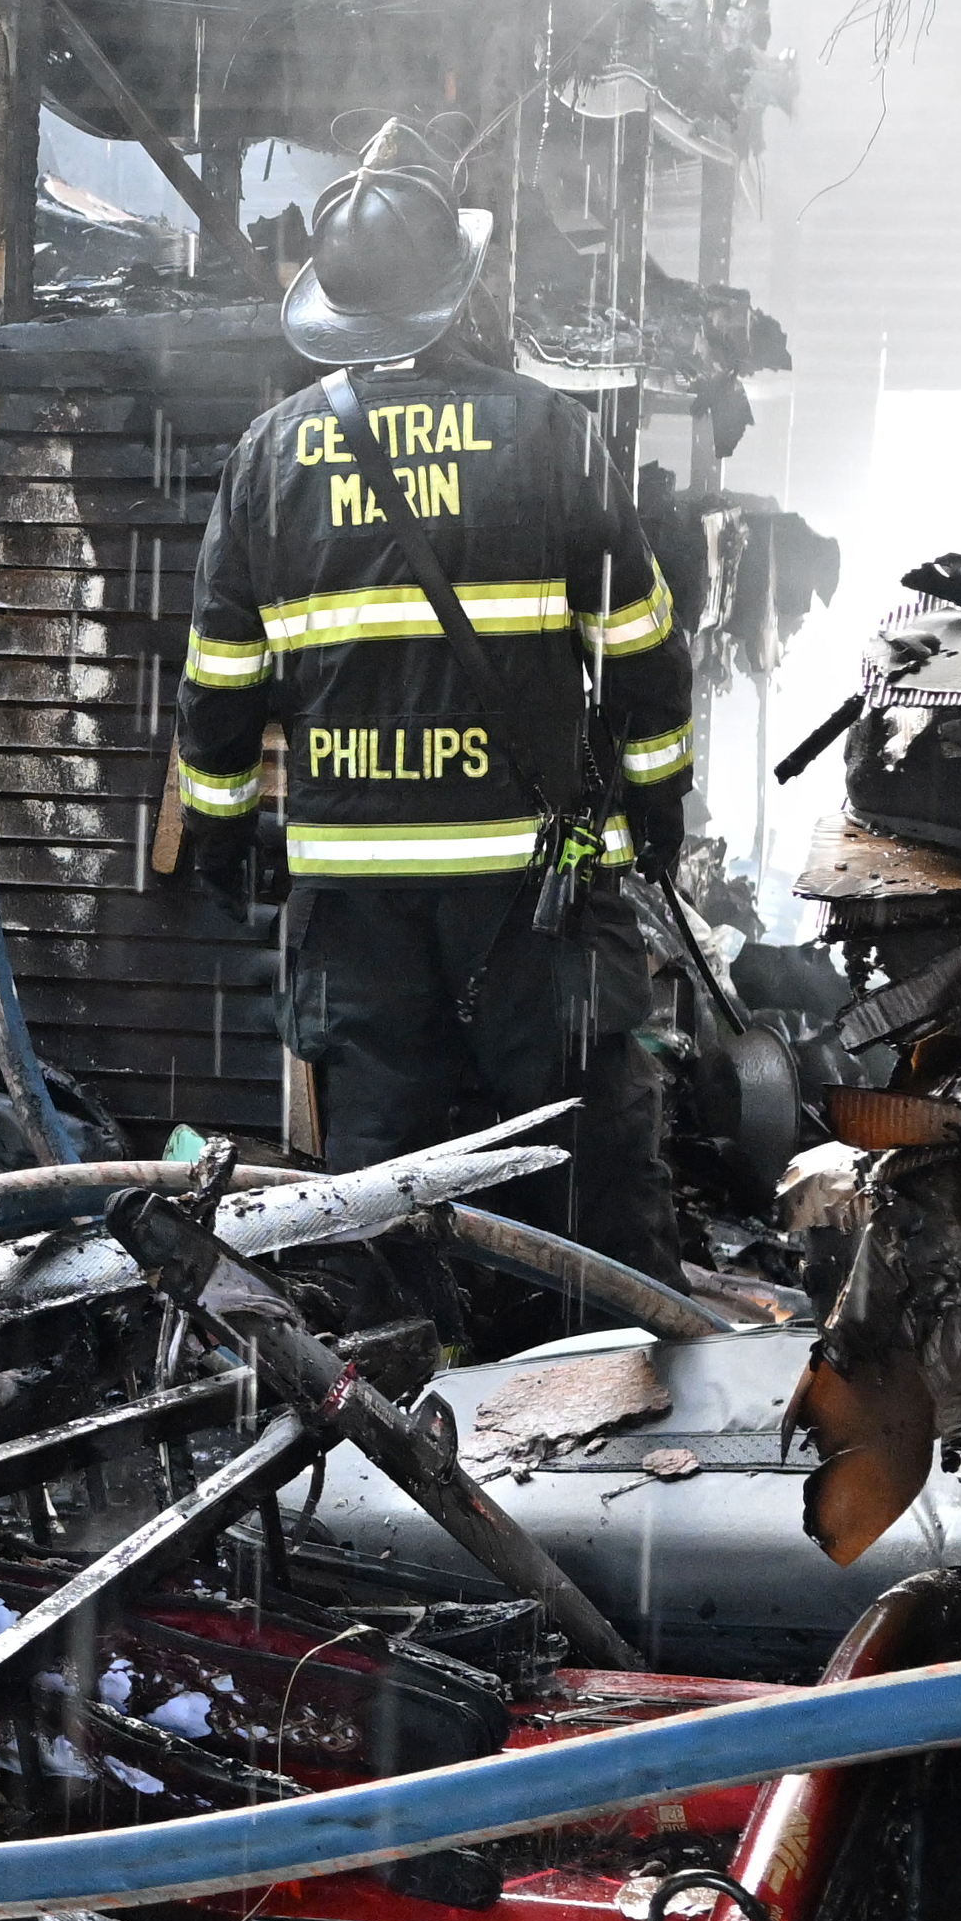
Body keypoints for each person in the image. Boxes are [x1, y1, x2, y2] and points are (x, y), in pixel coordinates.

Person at [168, 119, 695, 1326]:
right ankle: (606, 1402)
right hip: (536, 888)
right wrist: (653, 807)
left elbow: (220, 680)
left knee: (375, 1172)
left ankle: (380, 1426)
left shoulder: (269, 456)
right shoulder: (554, 437)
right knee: (576, 1157)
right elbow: (644, 652)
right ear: (457, 295)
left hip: (354, 891)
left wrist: (220, 834)